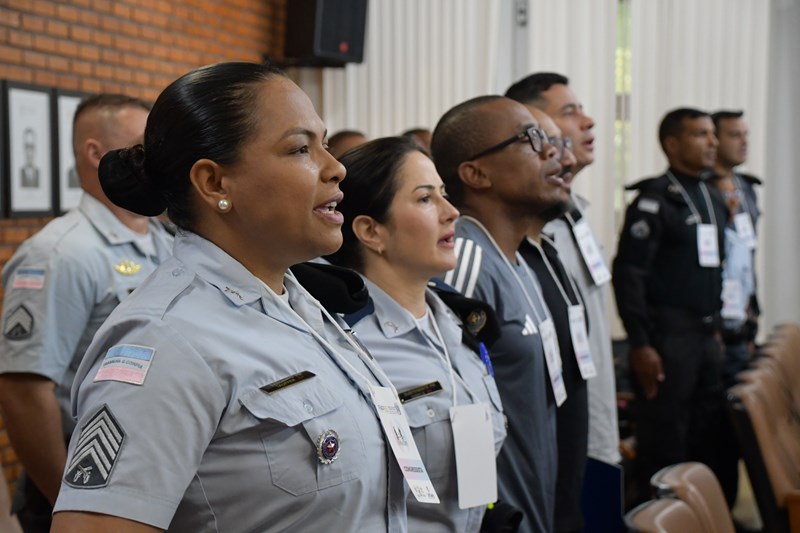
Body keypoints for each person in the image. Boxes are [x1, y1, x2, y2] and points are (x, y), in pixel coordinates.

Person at [51, 62, 410, 532]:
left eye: (324, 144)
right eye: (301, 148)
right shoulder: (167, 342)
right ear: (215, 183)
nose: (336, 167)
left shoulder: (299, 304)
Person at [0, 94, 172, 533]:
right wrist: (71, 508)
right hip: (85, 493)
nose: (155, 159)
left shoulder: (167, 242)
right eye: (141, 146)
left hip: (153, 480)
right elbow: (23, 391)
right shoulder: (61, 254)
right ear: (97, 153)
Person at [326, 136, 507, 532]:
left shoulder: (459, 324)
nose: (451, 212)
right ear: (371, 231)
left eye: (444, 194)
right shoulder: (344, 347)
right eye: (426, 199)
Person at [432, 95, 564, 533]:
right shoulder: (467, 261)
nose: (550, 150)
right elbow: (456, 411)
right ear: (475, 173)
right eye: (530, 138)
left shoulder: (518, 259)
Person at [507, 73, 622, 525]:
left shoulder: (574, 213)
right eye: (568, 114)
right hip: (566, 436)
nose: (588, 122)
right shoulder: (530, 229)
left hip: (596, 421)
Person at [612, 107, 728, 504]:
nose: (713, 142)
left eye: (713, 134)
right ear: (672, 143)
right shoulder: (654, 199)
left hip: (706, 336)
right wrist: (641, 343)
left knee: (707, 435)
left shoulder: (711, 195)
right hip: (668, 339)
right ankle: (659, 519)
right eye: (701, 134)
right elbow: (630, 274)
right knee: (666, 439)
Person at [517, 107, 591, 533]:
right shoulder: (476, 259)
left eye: (561, 145)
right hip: (524, 498)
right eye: (540, 144)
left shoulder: (541, 247)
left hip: (560, 481)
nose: (562, 158)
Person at [710, 109, 761, 508]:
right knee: (710, 430)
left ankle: (729, 510)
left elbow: (747, 261)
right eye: (733, 134)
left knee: (736, 433)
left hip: (740, 328)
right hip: (709, 333)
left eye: (746, 134)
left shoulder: (745, 188)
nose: (742, 141)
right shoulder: (696, 190)